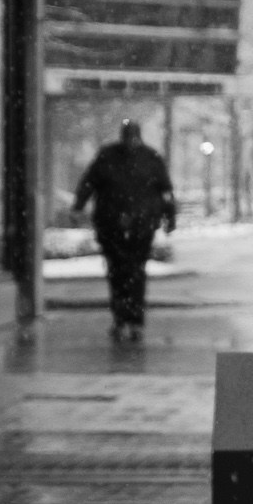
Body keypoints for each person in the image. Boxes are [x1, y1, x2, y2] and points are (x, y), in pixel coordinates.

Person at [73, 117, 175, 339]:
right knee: (126, 272)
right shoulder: (147, 158)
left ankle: (129, 319)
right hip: (122, 224)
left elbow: (89, 183)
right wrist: (169, 216)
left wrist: (169, 216)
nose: (131, 141)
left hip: (129, 224)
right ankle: (127, 319)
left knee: (126, 272)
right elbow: (165, 190)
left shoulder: (116, 157)